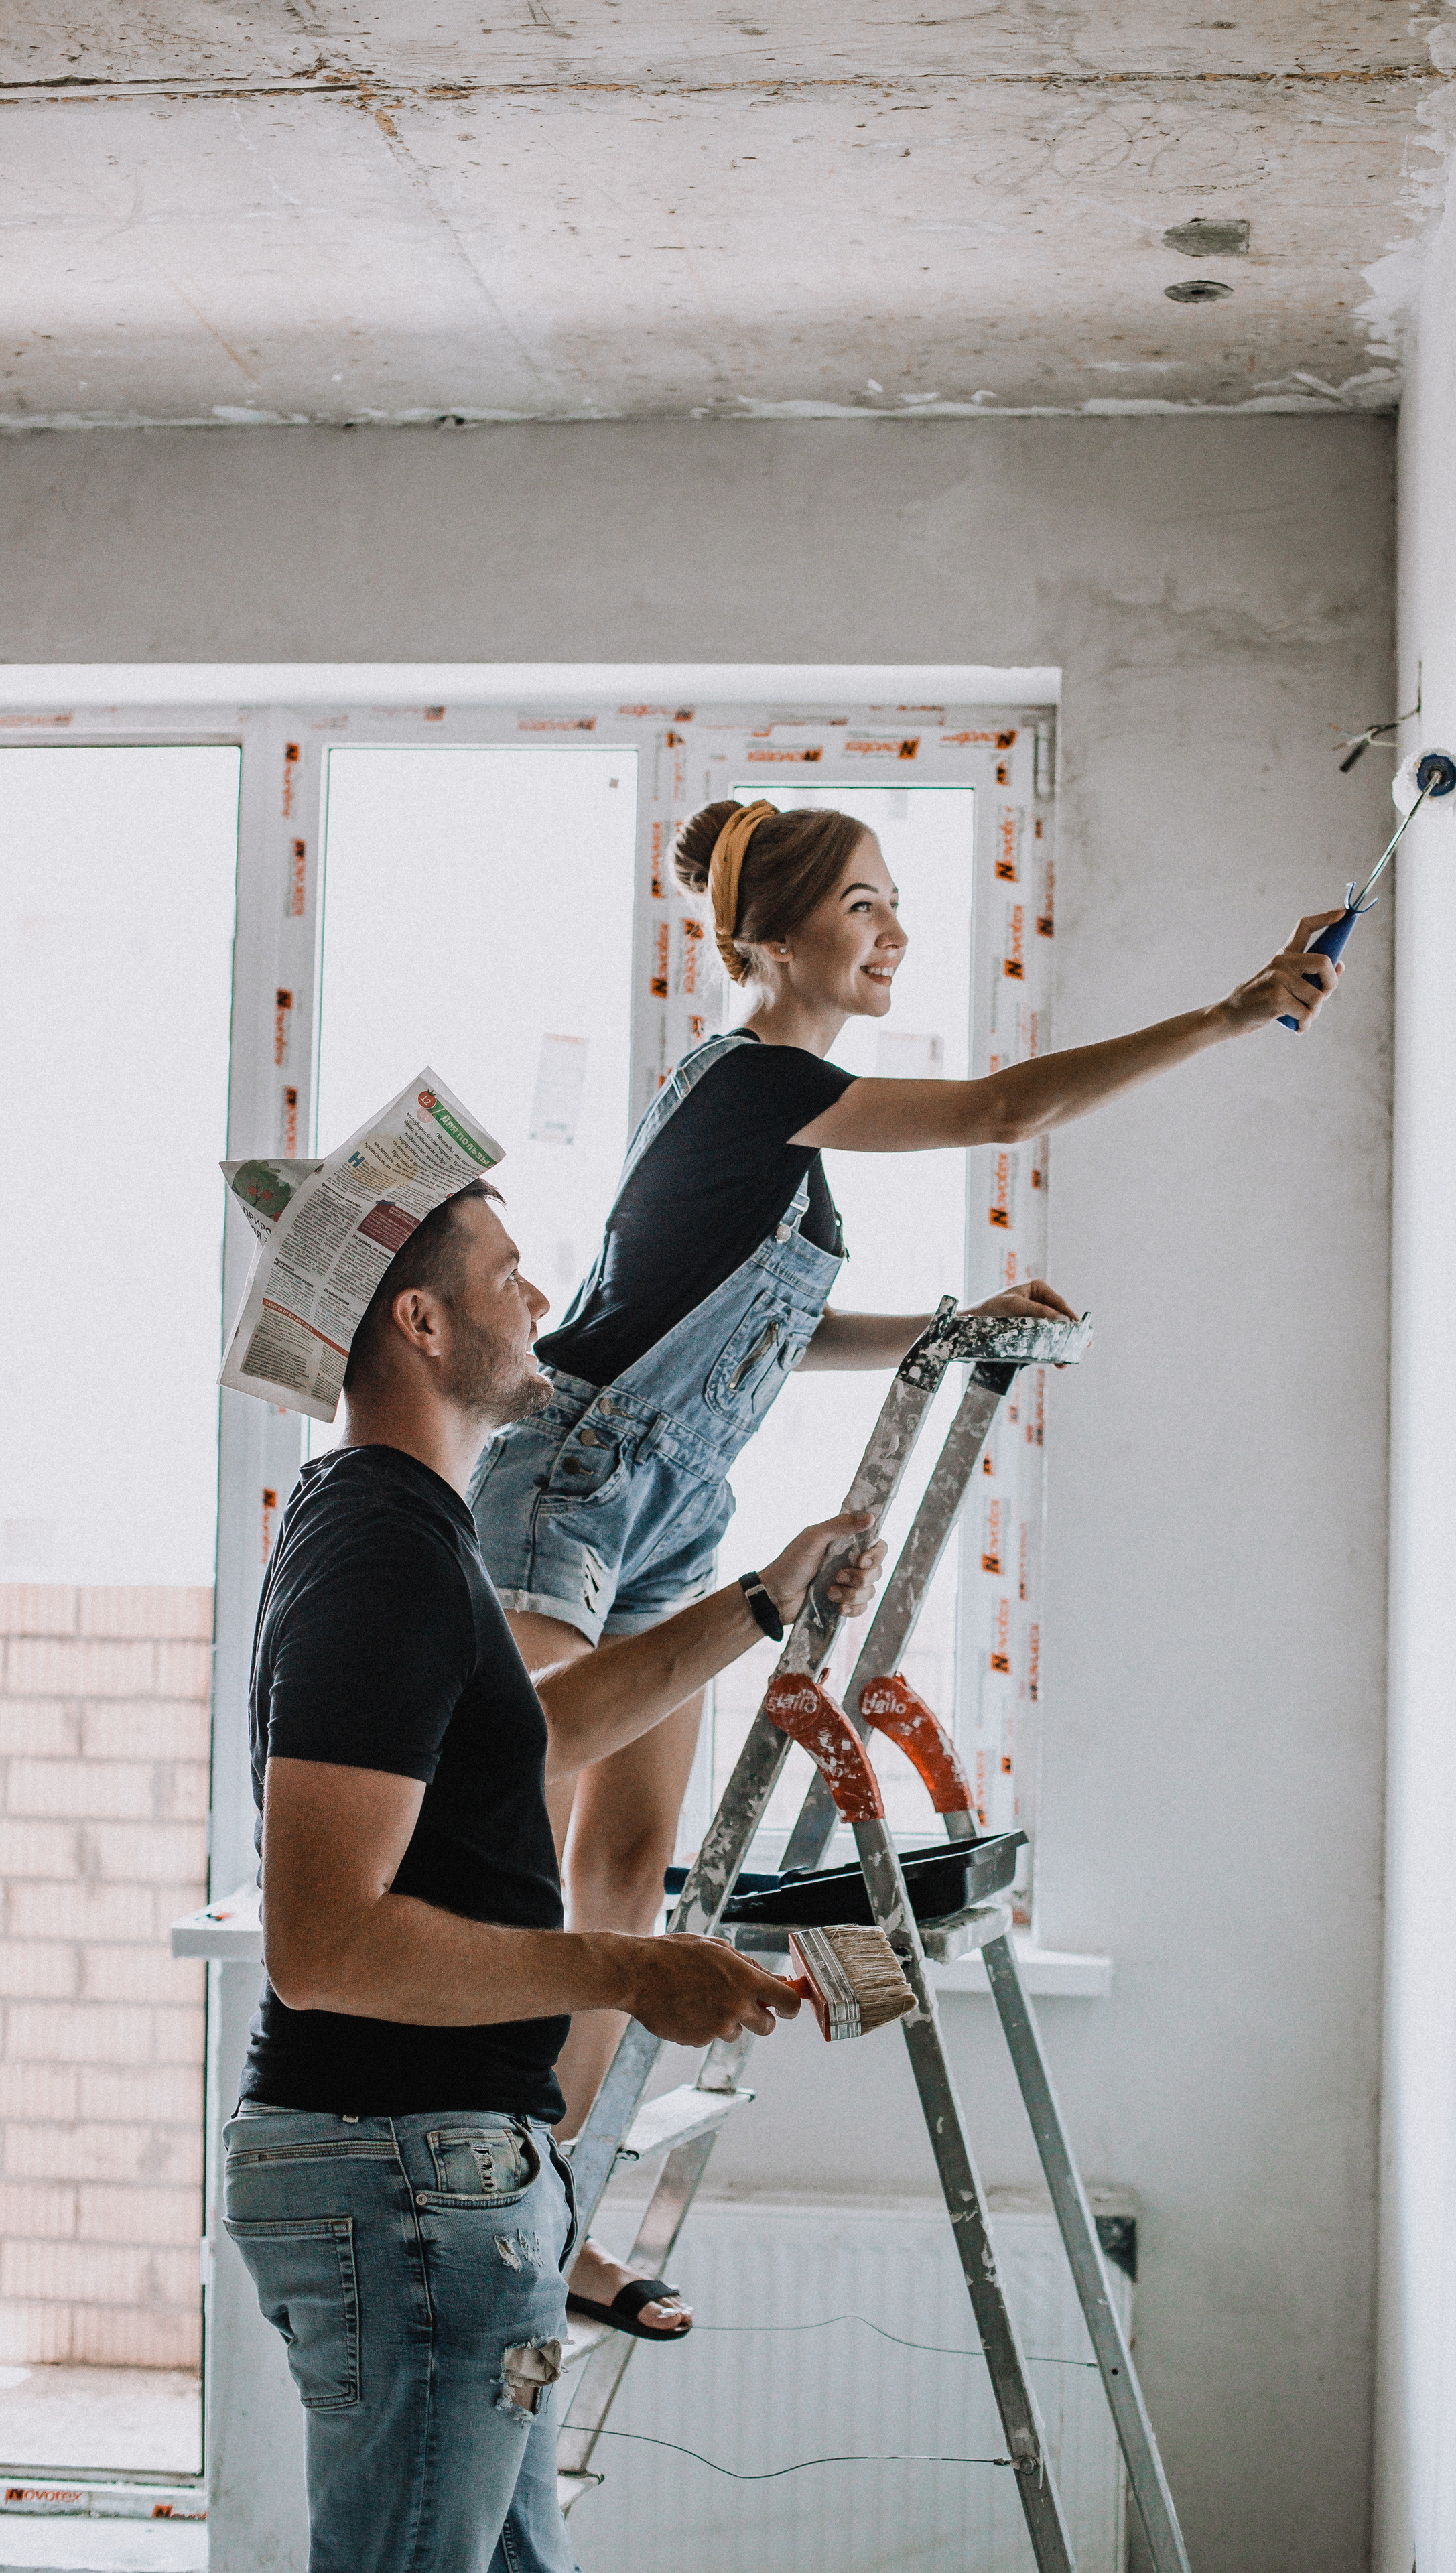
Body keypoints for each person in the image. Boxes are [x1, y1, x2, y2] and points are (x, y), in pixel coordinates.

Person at [470, 795, 1346, 2335]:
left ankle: (547, 2215)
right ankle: (464, 2201)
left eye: (893, 905)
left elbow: (776, 1335)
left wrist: (947, 1332)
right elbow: (1005, 1109)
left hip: (673, 1501)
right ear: (771, 936)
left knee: (624, 1868)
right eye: (863, 906)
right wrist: (1224, 1013)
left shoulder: (777, 1137)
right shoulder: (752, 1081)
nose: (892, 931)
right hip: (581, 1474)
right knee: (513, 1848)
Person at [224, 1179, 884, 2573]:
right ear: (419, 1319)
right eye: (512, 1275)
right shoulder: (379, 1552)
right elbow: (324, 1944)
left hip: (438, 2168)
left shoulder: (407, 1532)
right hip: (402, 2173)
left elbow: (540, 1732)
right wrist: (631, 1969)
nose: (543, 1304)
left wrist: (761, 1597)